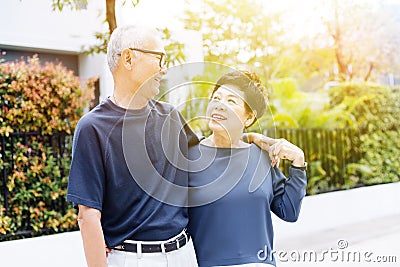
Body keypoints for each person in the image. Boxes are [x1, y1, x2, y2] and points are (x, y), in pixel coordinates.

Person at [66, 24, 200, 267]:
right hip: (133, 260)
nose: (164, 68)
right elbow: (88, 216)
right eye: (159, 58)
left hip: (183, 254)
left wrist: (256, 139)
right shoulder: (93, 128)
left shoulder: (171, 117)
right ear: (128, 58)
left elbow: (209, 162)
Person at [187, 71, 307, 267]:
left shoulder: (261, 157)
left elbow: (289, 211)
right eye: (216, 98)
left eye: (231, 101)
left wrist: (298, 163)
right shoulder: (189, 157)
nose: (219, 105)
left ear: (249, 117)